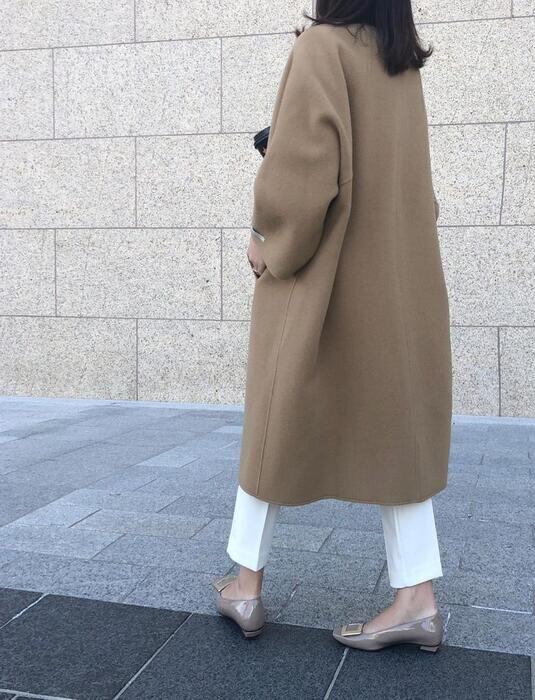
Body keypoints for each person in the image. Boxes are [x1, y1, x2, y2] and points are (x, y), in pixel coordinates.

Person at [212, 0, 452, 653]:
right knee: (398, 435)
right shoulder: (399, 62)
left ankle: (246, 584)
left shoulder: (322, 48)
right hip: (394, 283)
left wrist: (267, 241)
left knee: (273, 420)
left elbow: (301, 176)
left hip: (324, 280)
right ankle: (417, 599)